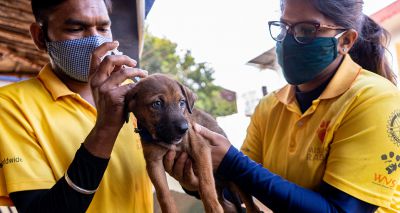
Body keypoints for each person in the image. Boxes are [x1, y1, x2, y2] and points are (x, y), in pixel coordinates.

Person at [164, 0, 400, 212]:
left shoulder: (375, 100)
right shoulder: (270, 107)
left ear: (345, 41)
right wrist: (198, 183)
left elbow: (341, 210)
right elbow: (244, 193)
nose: (289, 40)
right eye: (285, 27)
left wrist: (234, 163)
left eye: (306, 30)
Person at [0, 0, 152, 212]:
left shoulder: (132, 93)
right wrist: (105, 129)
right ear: (40, 37)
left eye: (103, 28)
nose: (95, 41)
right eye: (76, 28)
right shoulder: (10, 105)